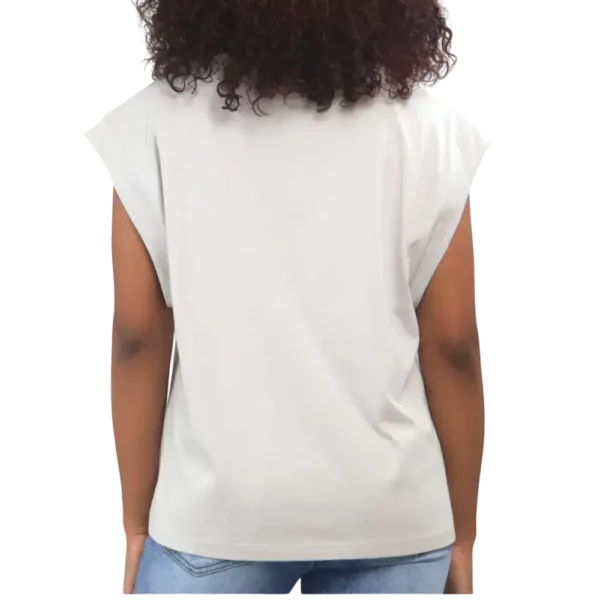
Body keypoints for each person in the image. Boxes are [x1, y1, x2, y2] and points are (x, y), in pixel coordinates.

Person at [85, 0, 491, 595]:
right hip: (393, 518)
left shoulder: (150, 122)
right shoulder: (431, 128)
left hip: (216, 516)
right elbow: (453, 345)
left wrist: (137, 524)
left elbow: (138, 336)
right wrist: (462, 533)